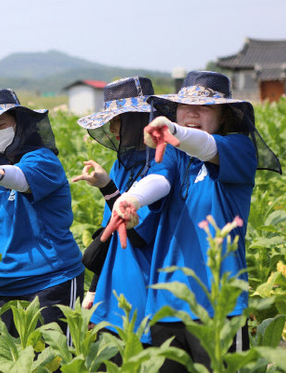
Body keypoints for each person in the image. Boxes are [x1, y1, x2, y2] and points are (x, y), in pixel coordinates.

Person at [104, 71, 281, 371]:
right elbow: (158, 180)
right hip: (165, 306)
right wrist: (132, 200)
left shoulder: (238, 149)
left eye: (206, 106)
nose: (193, 112)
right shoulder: (173, 156)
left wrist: (175, 130)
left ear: (225, 115)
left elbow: (206, 146)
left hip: (218, 306)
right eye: (185, 106)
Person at [0, 88, 84, 338]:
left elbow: (22, 180)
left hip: (50, 281)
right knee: (10, 361)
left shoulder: (42, 159)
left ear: (20, 124)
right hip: (3, 284)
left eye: (1, 124)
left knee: (53, 361)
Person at [72, 77, 159, 361]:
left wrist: (108, 189)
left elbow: (137, 232)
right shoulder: (120, 164)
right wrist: (94, 289)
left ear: (137, 120)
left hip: (143, 296)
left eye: (118, 121)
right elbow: (109, 234)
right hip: (112, 293)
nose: (112, 129)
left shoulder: (162, 167)